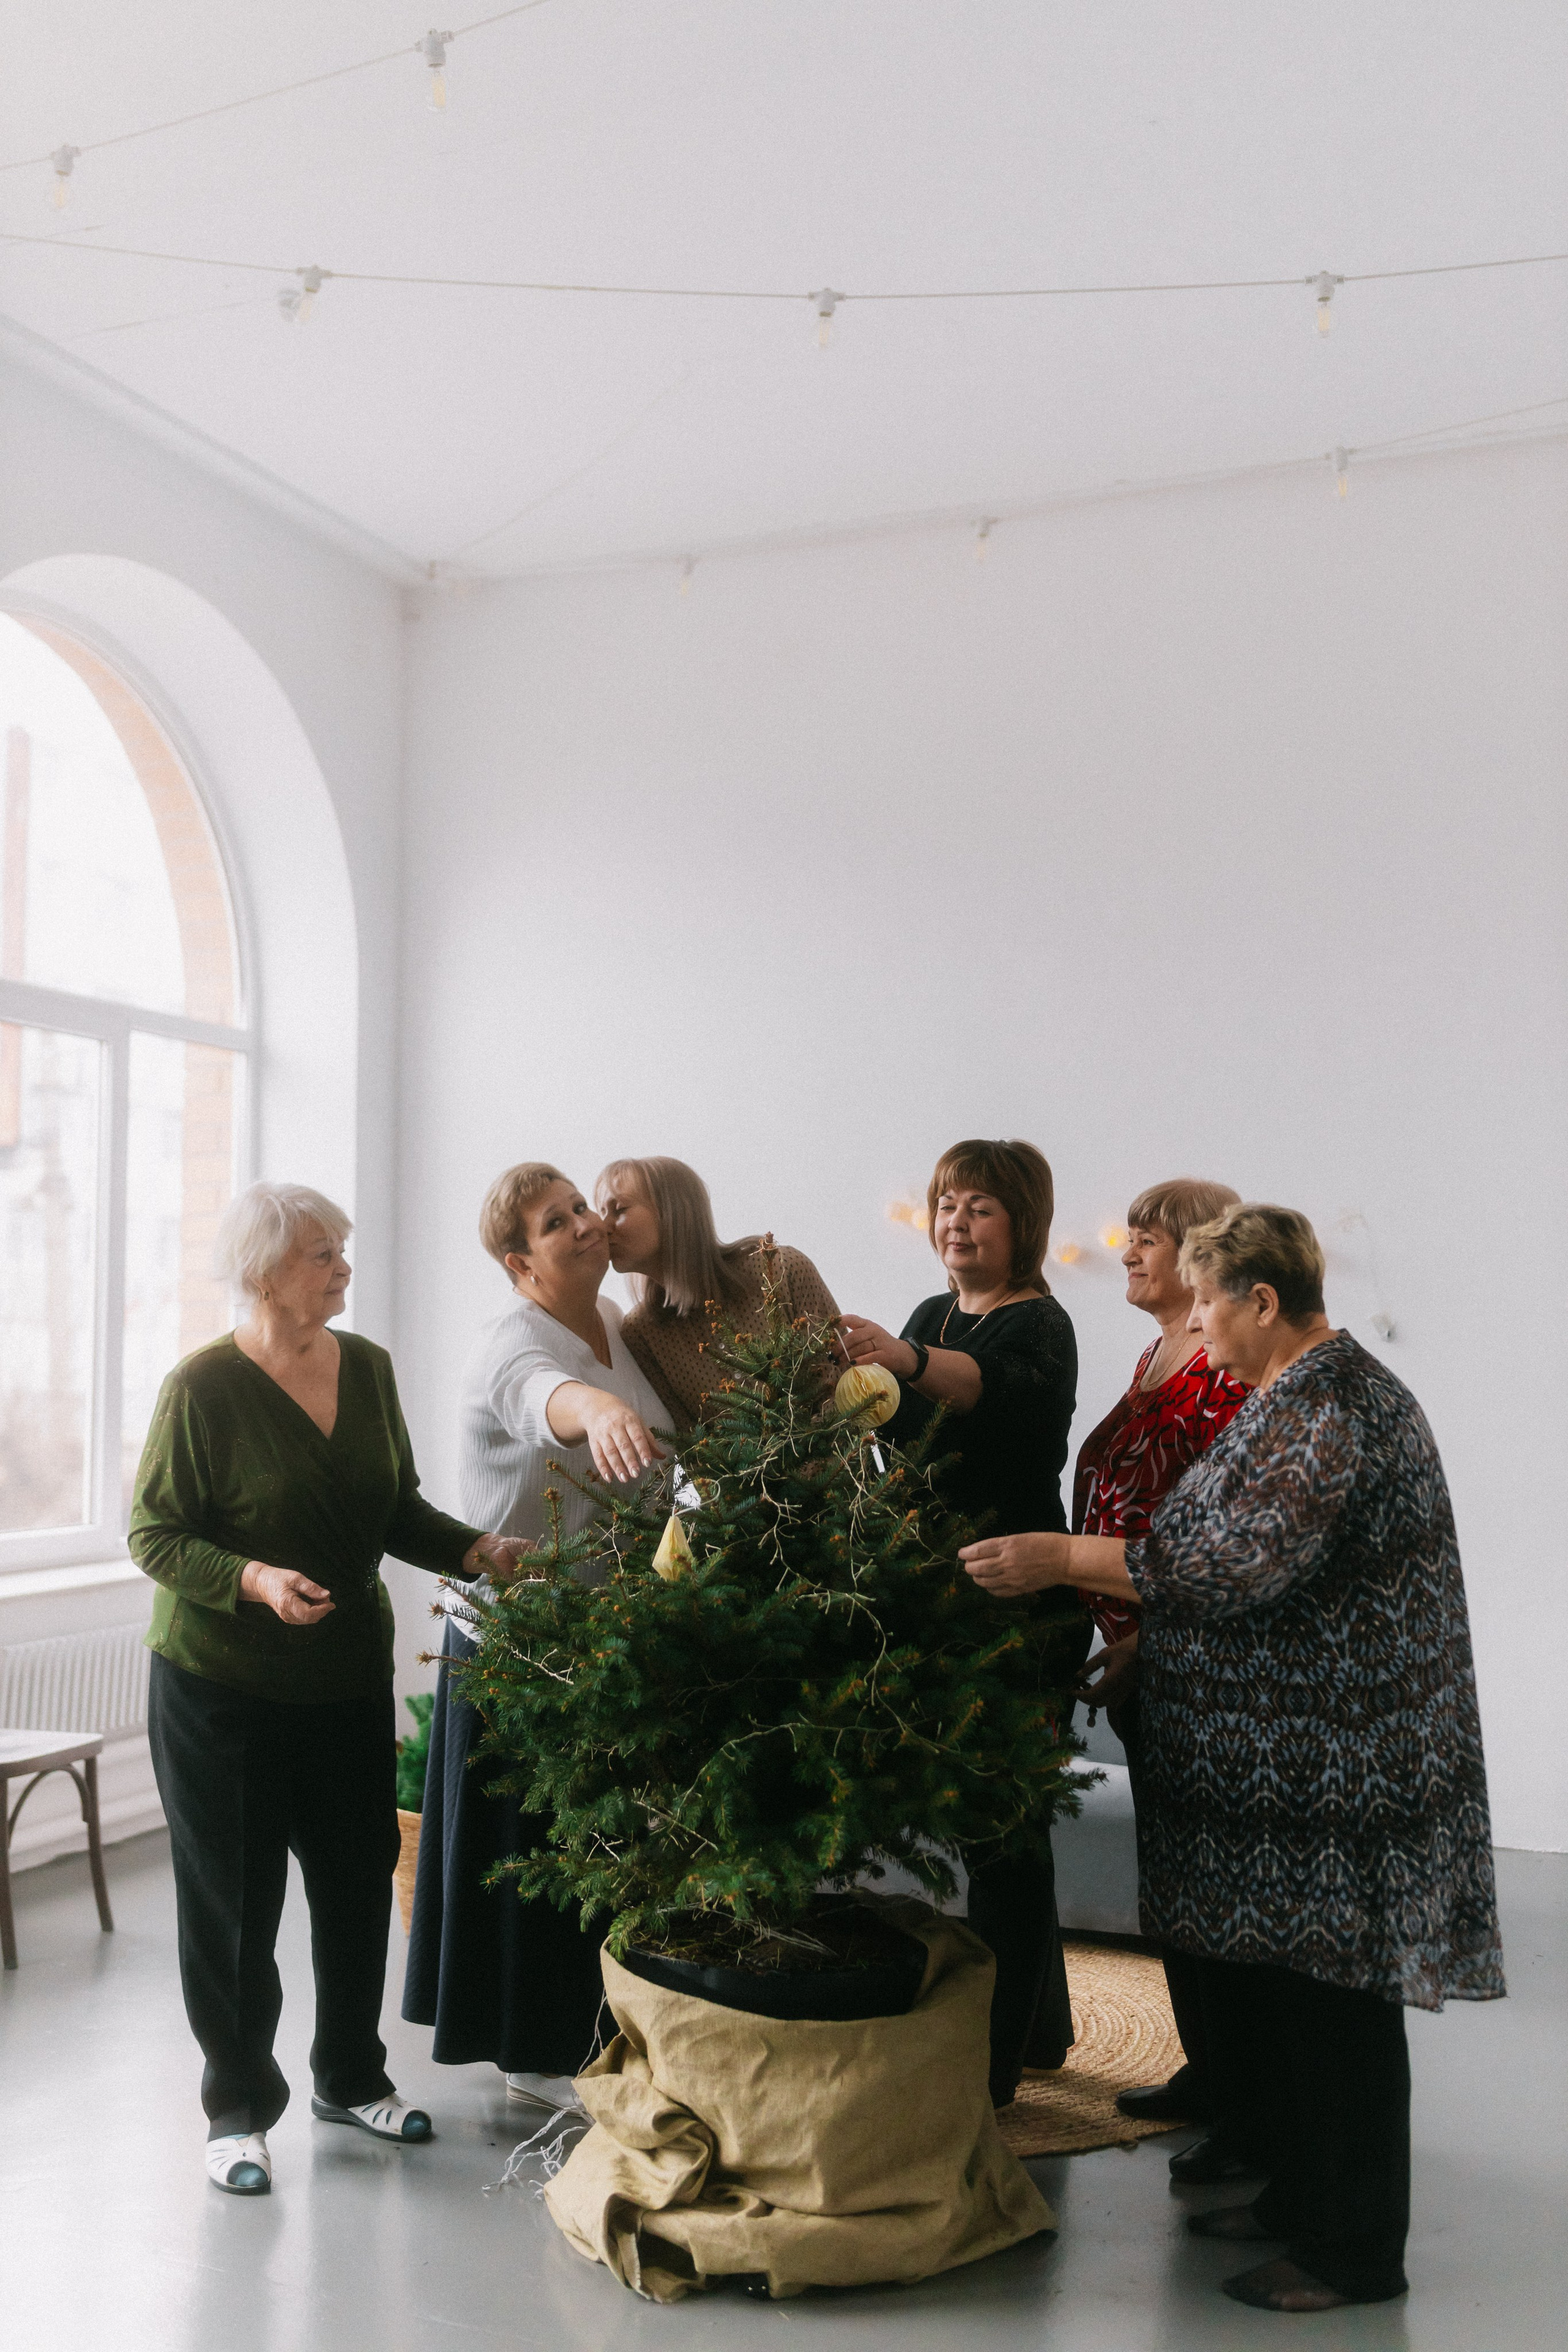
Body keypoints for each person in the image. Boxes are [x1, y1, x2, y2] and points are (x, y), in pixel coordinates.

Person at [961, 1202, 1504, 2312]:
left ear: (1263, 1300)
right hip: (1289, 1768)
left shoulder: (1332, 1409)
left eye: (1209, 1301)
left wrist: (1060, 1557)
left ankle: (1353, 2251)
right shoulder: (1295, 1395)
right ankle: (1300, 2196)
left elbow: (1227, 1559)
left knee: (1336, 2012)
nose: (1197, 1322)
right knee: (1292, 2006)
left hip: (1338, 1772)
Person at [131, 1182, 524, 2198]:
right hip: (221, 1692)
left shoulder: (370, 1369)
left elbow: (396, 1510)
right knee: (236, 1907)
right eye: (321, 1253)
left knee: (354, 1887)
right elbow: (154, 1534)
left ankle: (350, 2079)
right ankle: (235, 2111)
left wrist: (477, 1550)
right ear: (264, 1272)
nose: (343, 1266)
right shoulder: (202, 1389)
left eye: (341, 1249)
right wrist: (253, 1579)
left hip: (345, 1680)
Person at [403, 1164, 670, 2109]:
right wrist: (600, 1410)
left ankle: (590, 2035)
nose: (587, 1225)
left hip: (602, 1632)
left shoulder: (618, 1325)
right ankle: (534, 2059)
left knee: (593, 1844)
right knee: (533, 1853)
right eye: (557, 1223)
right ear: (521, 1265)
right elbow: (546, 1397)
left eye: (582, 1208)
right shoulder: (512, 1344)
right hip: (517, 1642)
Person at [838, 1137, 1088, 2108]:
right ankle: (1042, 2028)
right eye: (947, 1203)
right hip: (934, 1598)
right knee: (994, 1833)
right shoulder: (931, 1312)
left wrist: (901, 1361)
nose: (956, 1221)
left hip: (1018, 1604)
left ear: (1024, 1224)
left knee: (1006, 1836)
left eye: (980, 1206)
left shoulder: (1042, 1324)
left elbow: (994, 1398)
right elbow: (901, 1427)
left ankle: (994, 2075)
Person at [1071, 1178, 1246, 2144]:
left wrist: (1149, 1637)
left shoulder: (1223, 1367)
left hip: (1190, 1658)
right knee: (1173, 1880)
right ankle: (1208, 2067)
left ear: (1201, 1252)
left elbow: (1223, 1534)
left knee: (1209, 1882)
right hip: (1142, 1651)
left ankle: (1239, 2093)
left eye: (1149, 1239)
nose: (1128, 1253)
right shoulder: (1157, 1352)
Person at [597, 1155, 839, 1428]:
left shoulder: (779, 1269)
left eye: (619, 1210)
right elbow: (689, 1440)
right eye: (602, 1212)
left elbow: (848, 1382)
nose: (602, 1228)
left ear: (673, 1211)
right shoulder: (641, 1334)